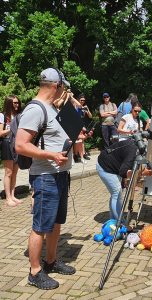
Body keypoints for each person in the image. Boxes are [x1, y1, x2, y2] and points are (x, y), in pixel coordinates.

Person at [15, 67, 75, 290]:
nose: (64, 90)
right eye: (63, 86)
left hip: (60, 174)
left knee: (56, 222)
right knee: (41, 226)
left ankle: (50, 261)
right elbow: (20, 145)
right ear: (56, 86)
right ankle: (35, 272)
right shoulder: (35, 109)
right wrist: (51, 155)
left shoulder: (51, 108)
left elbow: (51, 137)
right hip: (45, 176)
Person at [96, 139, 152, 220]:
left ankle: (114, 219)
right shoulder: (133, 151)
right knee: (117, 193)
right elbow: (123, 171)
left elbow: (132, 166)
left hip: (113, 164)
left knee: (115, 194)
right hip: (105, 166)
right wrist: (141, 173)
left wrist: (141, 171)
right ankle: (119, 222)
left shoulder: (140, 146)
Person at [0, 95, 22, 207]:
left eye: (18, 102)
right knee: (8, 172)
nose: (17, 105)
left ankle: (13, 195)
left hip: (17, 144)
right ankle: (8, 197)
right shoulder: (2, 116)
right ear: (9, 103)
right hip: (7, 144)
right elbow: (0, 133)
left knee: (15, 172)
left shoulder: (18, 116)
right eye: (14, 103)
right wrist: (11, 130)